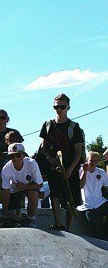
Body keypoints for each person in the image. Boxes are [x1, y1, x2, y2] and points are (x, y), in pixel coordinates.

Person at [39, 93, 85, 231]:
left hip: (70, 167)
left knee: (70, 197)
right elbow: (44, 146)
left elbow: (78, 151)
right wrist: (49, 158)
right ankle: (58, 223)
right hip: (54, 166)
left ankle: (68, 228)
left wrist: (71, 168)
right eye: (56, 107)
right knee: (54, 193)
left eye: (62, 106)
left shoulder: (74, 127)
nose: (58, 109)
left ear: (68, 107)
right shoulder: (48, 125)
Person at [0, 142, 43, 227]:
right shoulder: (6, 169)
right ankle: (18, 218)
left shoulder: (32, 163)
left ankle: (31, 219)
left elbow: (40, 184)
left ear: (23, 155)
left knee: (33, 194)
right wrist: (5, 212)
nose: (15, 158)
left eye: (18, 155)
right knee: (10, 216)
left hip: (30, 187)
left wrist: (25, 187)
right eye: (12, 156)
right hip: (14, 189)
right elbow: (5, 192)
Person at [78, 151, 108, 238]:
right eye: (91, 160)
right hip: (89, 205)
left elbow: (106, 186)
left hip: (100, 201)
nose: (93, 163)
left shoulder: (101, 172)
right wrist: (85, 171)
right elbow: (80, 186)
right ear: (87, 160)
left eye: (96, 161)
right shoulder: (81, 171)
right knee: (96, 231)